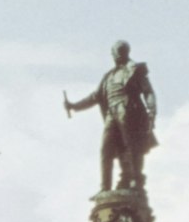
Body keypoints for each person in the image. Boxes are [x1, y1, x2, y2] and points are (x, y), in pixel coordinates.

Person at [64, 41, 157, 194]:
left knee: (131, 146)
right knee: (106, 150)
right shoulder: (108, 76)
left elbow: (148, 92)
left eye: (115, 52)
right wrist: (74, 106)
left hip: (128, 110)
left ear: (120, 52)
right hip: (111, 114)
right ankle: (105, 188)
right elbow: (94, 97)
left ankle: (134, 179)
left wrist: (151, 111)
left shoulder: (135, 70)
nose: (114, 55)